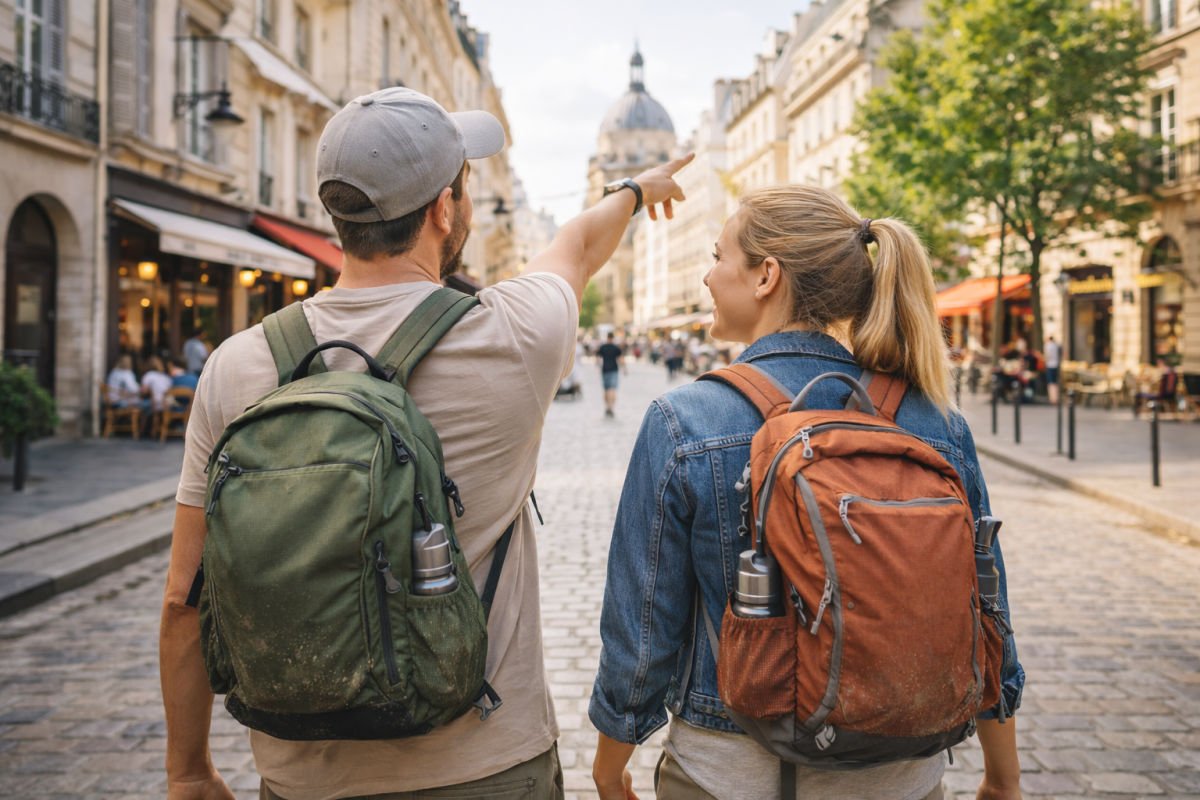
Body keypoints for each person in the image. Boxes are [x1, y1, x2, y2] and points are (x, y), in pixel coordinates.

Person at [158, 85, 690, 800]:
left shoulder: (237, 363)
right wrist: (634, 190)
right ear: (444, 209)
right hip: (485, 765)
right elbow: (577, 244)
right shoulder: (513, 334)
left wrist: (189, 770)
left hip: (303, 777)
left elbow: (185, 598)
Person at [590, 185, 1024, 800]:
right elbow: (986, 606)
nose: (708, 276)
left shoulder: (685, 421)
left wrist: (610, 764)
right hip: (901, 773)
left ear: (766, 275)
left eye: (718, 256)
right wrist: (1004, 775)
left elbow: (642, 628)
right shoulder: (935, 421)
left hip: (730, 772)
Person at [598, 332, 624, 418]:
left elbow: (598, 359)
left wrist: (598, 367)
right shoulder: (616, 348)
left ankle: (607, 407)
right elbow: (620, 359)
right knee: (612, 389)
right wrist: (624, 369)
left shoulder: (603, 347)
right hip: (614, 370)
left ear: (607, 337)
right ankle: (611, 407)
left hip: (605, 370)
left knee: (606, 390)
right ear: (613, 338)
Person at [1044, 336, 1061, 403]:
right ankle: (1056, 397)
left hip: (1050, 365)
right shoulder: (1056, 345)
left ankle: (1052, 398)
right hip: (1055, 365)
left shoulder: (1048, 345)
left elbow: (1047, 356)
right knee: (1055, 381)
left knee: (1051, 382)